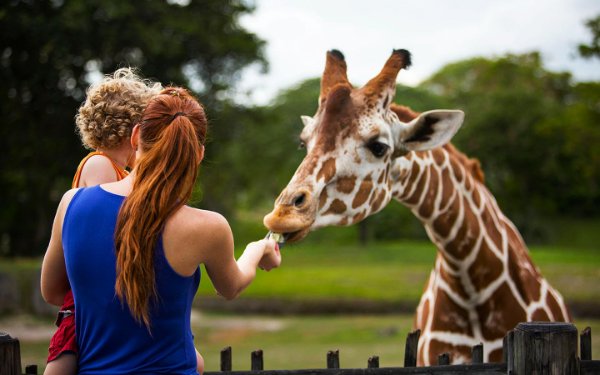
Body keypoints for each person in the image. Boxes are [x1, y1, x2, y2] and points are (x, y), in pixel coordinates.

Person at [41, 87, 282, 375]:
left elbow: (53, 291)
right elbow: (231, 286)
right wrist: (258, 250)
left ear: (135, 136)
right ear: (199, 154)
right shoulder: (209, 227)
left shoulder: (72, 204)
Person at [43, 67, 163, 375]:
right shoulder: (100, 164)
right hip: (88, 308)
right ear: (136, 130)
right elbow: (105, 226)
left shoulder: (121, 171)